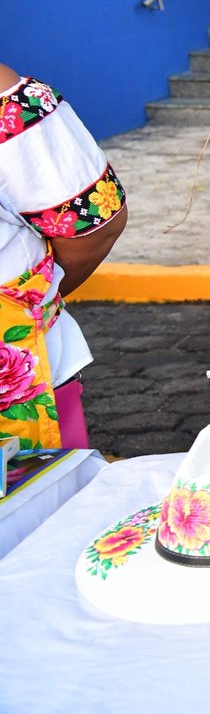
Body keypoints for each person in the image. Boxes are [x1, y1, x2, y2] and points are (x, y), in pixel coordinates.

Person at [0, 64, 128, 450]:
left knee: (37, 487)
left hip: (17, 383)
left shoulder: (9, 104)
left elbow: (93, 230)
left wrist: (29, 301)